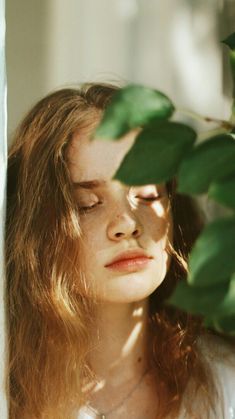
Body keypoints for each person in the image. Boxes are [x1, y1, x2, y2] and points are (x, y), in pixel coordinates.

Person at [6, 83, 235, 419]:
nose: (127, 224)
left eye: (147, 194)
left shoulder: (224, 382)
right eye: (87, 204)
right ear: (35, 232)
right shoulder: (12, 396)